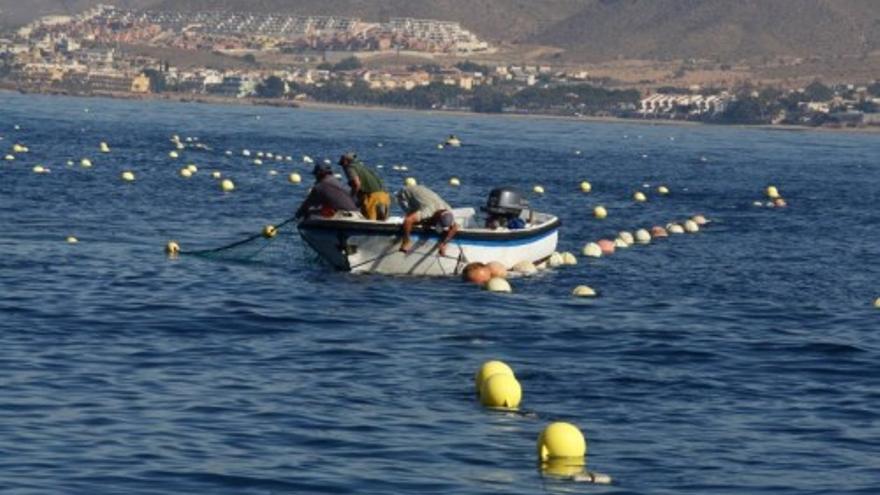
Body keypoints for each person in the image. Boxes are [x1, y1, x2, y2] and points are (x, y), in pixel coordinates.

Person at [396, 184, 459, 256]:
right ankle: (406, 242)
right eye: (437, 223)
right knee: (413, 219)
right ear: (436, 217)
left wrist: (443, 243)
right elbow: (408, 220)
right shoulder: (428, 211)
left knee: (424, 221)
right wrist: (406, 241)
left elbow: (455, 227)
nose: (436, 225)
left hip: (421, 192)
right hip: (404, 195)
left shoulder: (448, 210)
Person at [294, 163, 359, 220]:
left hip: (342, 216)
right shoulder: (339, 183)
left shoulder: (319, 187)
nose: (315, 177)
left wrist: (297, 215)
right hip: (356, 214)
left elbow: (307, 204)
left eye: (316, 175)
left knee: (309, 214)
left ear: (319, 174)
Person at [338, 153, 390, 220]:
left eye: (342, 164)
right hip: (385, 196)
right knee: (382, 222)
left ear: (345, 162)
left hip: (373, 198)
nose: (342, 167)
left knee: (370, 222)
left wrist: (350, 197)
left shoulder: (349, 168)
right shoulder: (362, 167)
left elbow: (357, 184)